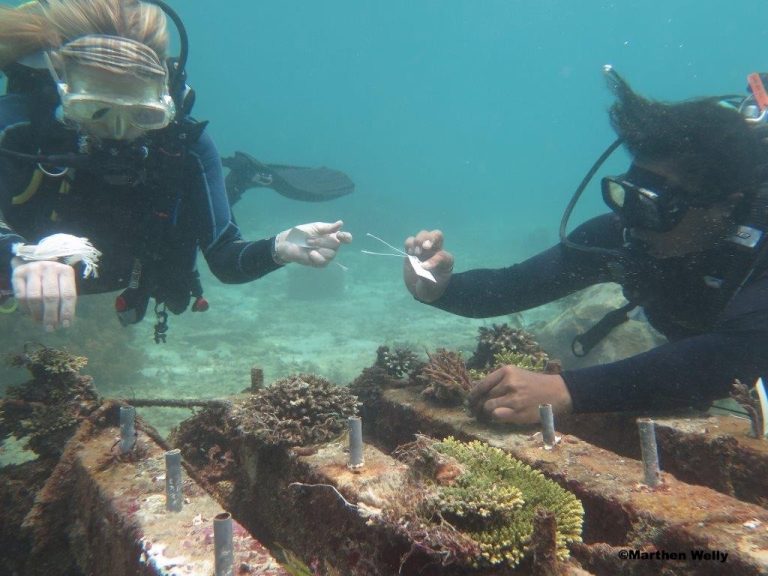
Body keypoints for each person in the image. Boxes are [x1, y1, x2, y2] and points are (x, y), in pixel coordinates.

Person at [403, 67, 768, 424]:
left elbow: (736, 354)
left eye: (654, 206)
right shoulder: (630, 234)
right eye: (626, 195)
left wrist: (568, 391)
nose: (630, 219)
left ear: (727, 205)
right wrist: (441, 289)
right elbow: (511, 287)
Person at [0, 0, 352, 340]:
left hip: (138, 256)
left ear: (164, 102)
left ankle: (239, 181)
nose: (119, 133)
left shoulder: (186, 143)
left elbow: (225, 258)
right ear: (63, 90)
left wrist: (279, 247)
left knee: (185, 215)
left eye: (142, 114)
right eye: (95, 109)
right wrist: (20, 255)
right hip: (35, 256)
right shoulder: (16, 127)